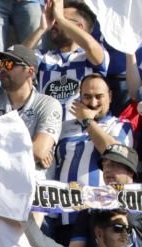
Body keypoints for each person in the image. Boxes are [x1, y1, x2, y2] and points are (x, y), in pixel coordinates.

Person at [53, 75, 133, 234]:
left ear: (109, 96)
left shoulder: (121, 126)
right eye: (87, 97)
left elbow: (115, 153)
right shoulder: (63, 127)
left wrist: (88, 122)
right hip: (63, 215)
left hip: (100, 218)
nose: (93, 102)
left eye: (99, 96)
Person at [0, 44, 62, 172]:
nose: (2, 69)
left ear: (30, 72)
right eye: (1, 64)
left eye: (9, 64)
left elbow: (39, 151)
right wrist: (28, 149)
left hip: (35, 186)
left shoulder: (48, 104)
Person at [24, 0, 107, 117]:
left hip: (82, 132)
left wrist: (61, 19)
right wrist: (42, 29)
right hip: (47, 132)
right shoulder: (43, 57)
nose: (54, 23)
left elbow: (91, 46)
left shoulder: (89, 56)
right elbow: (17, 60)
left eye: (60, 19)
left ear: (79, 27)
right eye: (55, 19)